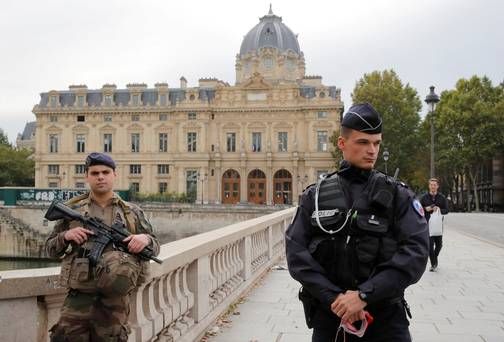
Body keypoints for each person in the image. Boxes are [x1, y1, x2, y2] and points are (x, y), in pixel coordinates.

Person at [285, 103, 429, 342]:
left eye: (376, 143)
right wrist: (338, 300)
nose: (371, 150)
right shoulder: (316, 197)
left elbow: (416, 253)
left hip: (385, 321)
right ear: (342, 144)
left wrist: (363, 296)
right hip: (331, 319)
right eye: (363, 142)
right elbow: (296, 254)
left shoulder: (398, 195)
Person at [45, 152, 160, 342]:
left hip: (115, 303)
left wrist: (145, 239)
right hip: (78, 299)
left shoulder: (131, 213)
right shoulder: (73, 211)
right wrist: (66, 236)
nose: (100, 177)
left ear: (114, 175)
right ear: (87, 177)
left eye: (106, 172)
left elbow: (154, 248)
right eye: (95, 173)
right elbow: (49, 249)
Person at [420, 178, 449, 272]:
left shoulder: (442, 197)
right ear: (429, 186)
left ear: (437, 186)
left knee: (439, 245)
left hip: (438, 225)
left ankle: (434, 258)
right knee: (430, 245)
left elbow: (447, 210)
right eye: (431, 185)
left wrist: (439, 209)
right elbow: (418, 210)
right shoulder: (424, 197)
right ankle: (433, 264)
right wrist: (425, 209)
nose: (433, 186)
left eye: (434, 185)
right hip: (427, 225)